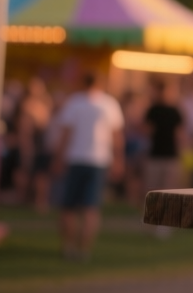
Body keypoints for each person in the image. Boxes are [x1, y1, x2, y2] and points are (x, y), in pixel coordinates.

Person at [51, 72, 124, 261]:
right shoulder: (109, 104)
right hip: (99, 160)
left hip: (76, 158)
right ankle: (84, 250)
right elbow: (117, 136)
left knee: (69, 207)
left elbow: (65, 134)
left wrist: (58, 158)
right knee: (91, 208)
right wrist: (119, 160)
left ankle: (68, 247)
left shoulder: (75, 102)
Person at [143, 80, 186, 235]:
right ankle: (158, 225)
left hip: (163, 155)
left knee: (158, 191)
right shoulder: (165, 110)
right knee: (160, 191)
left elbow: (147, 131)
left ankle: (159, 224)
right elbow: (179, 135)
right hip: (163, 155)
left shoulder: (160, 110)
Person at [17, 77, 54, 212]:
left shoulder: (44, 104)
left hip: (42, 144)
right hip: (33, 143)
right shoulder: (27, 105)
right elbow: (24, 131)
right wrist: (27, 148)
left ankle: (39, 201)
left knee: (41, 175)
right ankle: (26, 200)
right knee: (27, 172)